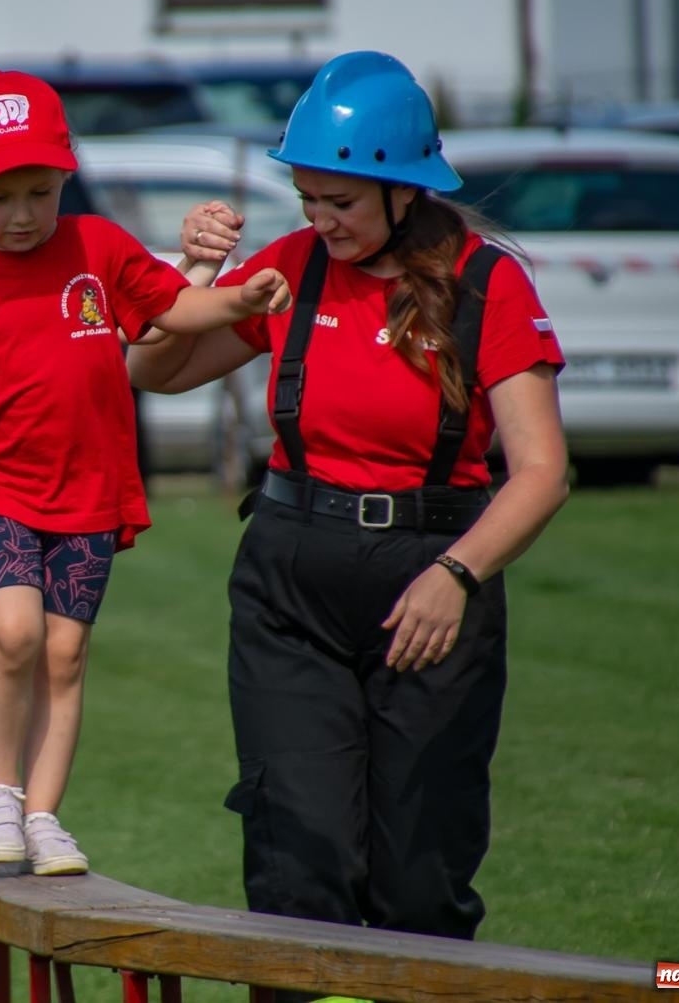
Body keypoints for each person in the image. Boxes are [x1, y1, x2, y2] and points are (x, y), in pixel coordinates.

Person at [128, 51, 570, 970]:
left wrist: (456, 576)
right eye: (307, 200)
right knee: (300, 861)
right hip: (292, 584)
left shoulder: (488, 285)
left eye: (342, 203)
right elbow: (153, 373)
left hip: (434, 587)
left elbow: (540, 472)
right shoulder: (290, 269)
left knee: (419, 874)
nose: (321, 221)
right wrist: (191, 278)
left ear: (403, 190)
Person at [0, 70, 289, 875]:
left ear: (65, 178)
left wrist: (240, 300)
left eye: (40, 193)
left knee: (65, 656)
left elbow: (172, 309)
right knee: (10, 632)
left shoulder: (98, 247)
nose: (20, 216)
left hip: (89, 493)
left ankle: (44, 816)